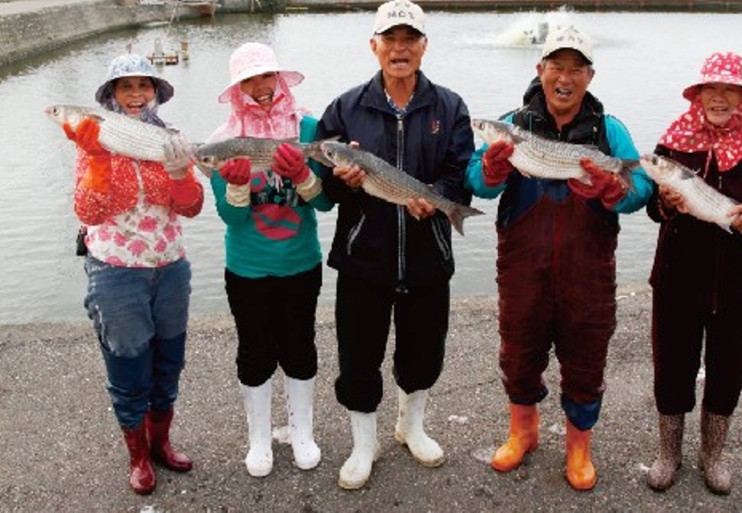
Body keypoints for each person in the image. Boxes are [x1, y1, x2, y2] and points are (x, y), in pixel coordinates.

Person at [465, 25, 653, 490]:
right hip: (522, 266)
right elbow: (474, 181)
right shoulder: (513, 124)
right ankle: (522, 432)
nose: (564, 78)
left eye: (575, 69)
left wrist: (616, 192)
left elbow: (642, 189)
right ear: (540, 70)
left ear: (590, 75)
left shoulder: (610, 131)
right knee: (518, 349)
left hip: (588, 268)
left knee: (587, 356)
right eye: (556, 67)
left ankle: (578, 446)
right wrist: (489, 169)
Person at [315, 0, 475, 490]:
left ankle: (412, 426)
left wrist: (441, 200)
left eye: (410, 39)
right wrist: (341, 177)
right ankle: (365, 442)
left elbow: (459, 173)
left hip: (429, 256)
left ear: (424, 46)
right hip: (364, 259)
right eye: (390, 39)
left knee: (423, 350)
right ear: (374, 46)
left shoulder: (449, 106)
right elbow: (323, 185)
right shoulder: (346, 107)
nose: (399, 49)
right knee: (358, 355)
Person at [644, 52, 742, 495]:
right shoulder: (672, 146)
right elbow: (653, 209)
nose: (720, 97)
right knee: (672, 367)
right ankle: (668, 453)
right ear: (699, 94)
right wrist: (663, 204)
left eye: (731, 89)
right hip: (676, 279)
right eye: (712, 88)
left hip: (739, 285)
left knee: (728, 370)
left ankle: (712, 456)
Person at [62, 53, 204, 494]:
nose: (136, 95)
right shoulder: (96, 140)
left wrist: (182, 174)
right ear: (111, 96)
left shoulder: (172, 139)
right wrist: (98, 159)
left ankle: (161, 441)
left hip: (170, 266)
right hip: (115, 270)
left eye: (144, 86)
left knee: (169, 361)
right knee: (128, 364)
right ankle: (138, 455)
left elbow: (191, 207)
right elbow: (88, 211)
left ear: (156, 93)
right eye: (126, 88)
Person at [206, 42, 333, 478]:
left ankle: (303, 431)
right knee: (254, 352)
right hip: (247, 267)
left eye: (267, 77)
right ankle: (259, 436)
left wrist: (302, 174)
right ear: (237, 89)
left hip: (301, 262)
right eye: (249, 80)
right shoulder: (223, 142)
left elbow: (326, 204)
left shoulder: (310, 127)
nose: (260, 88)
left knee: (300, 348)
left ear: (280, 80)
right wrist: (237, 186)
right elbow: (230, 216)